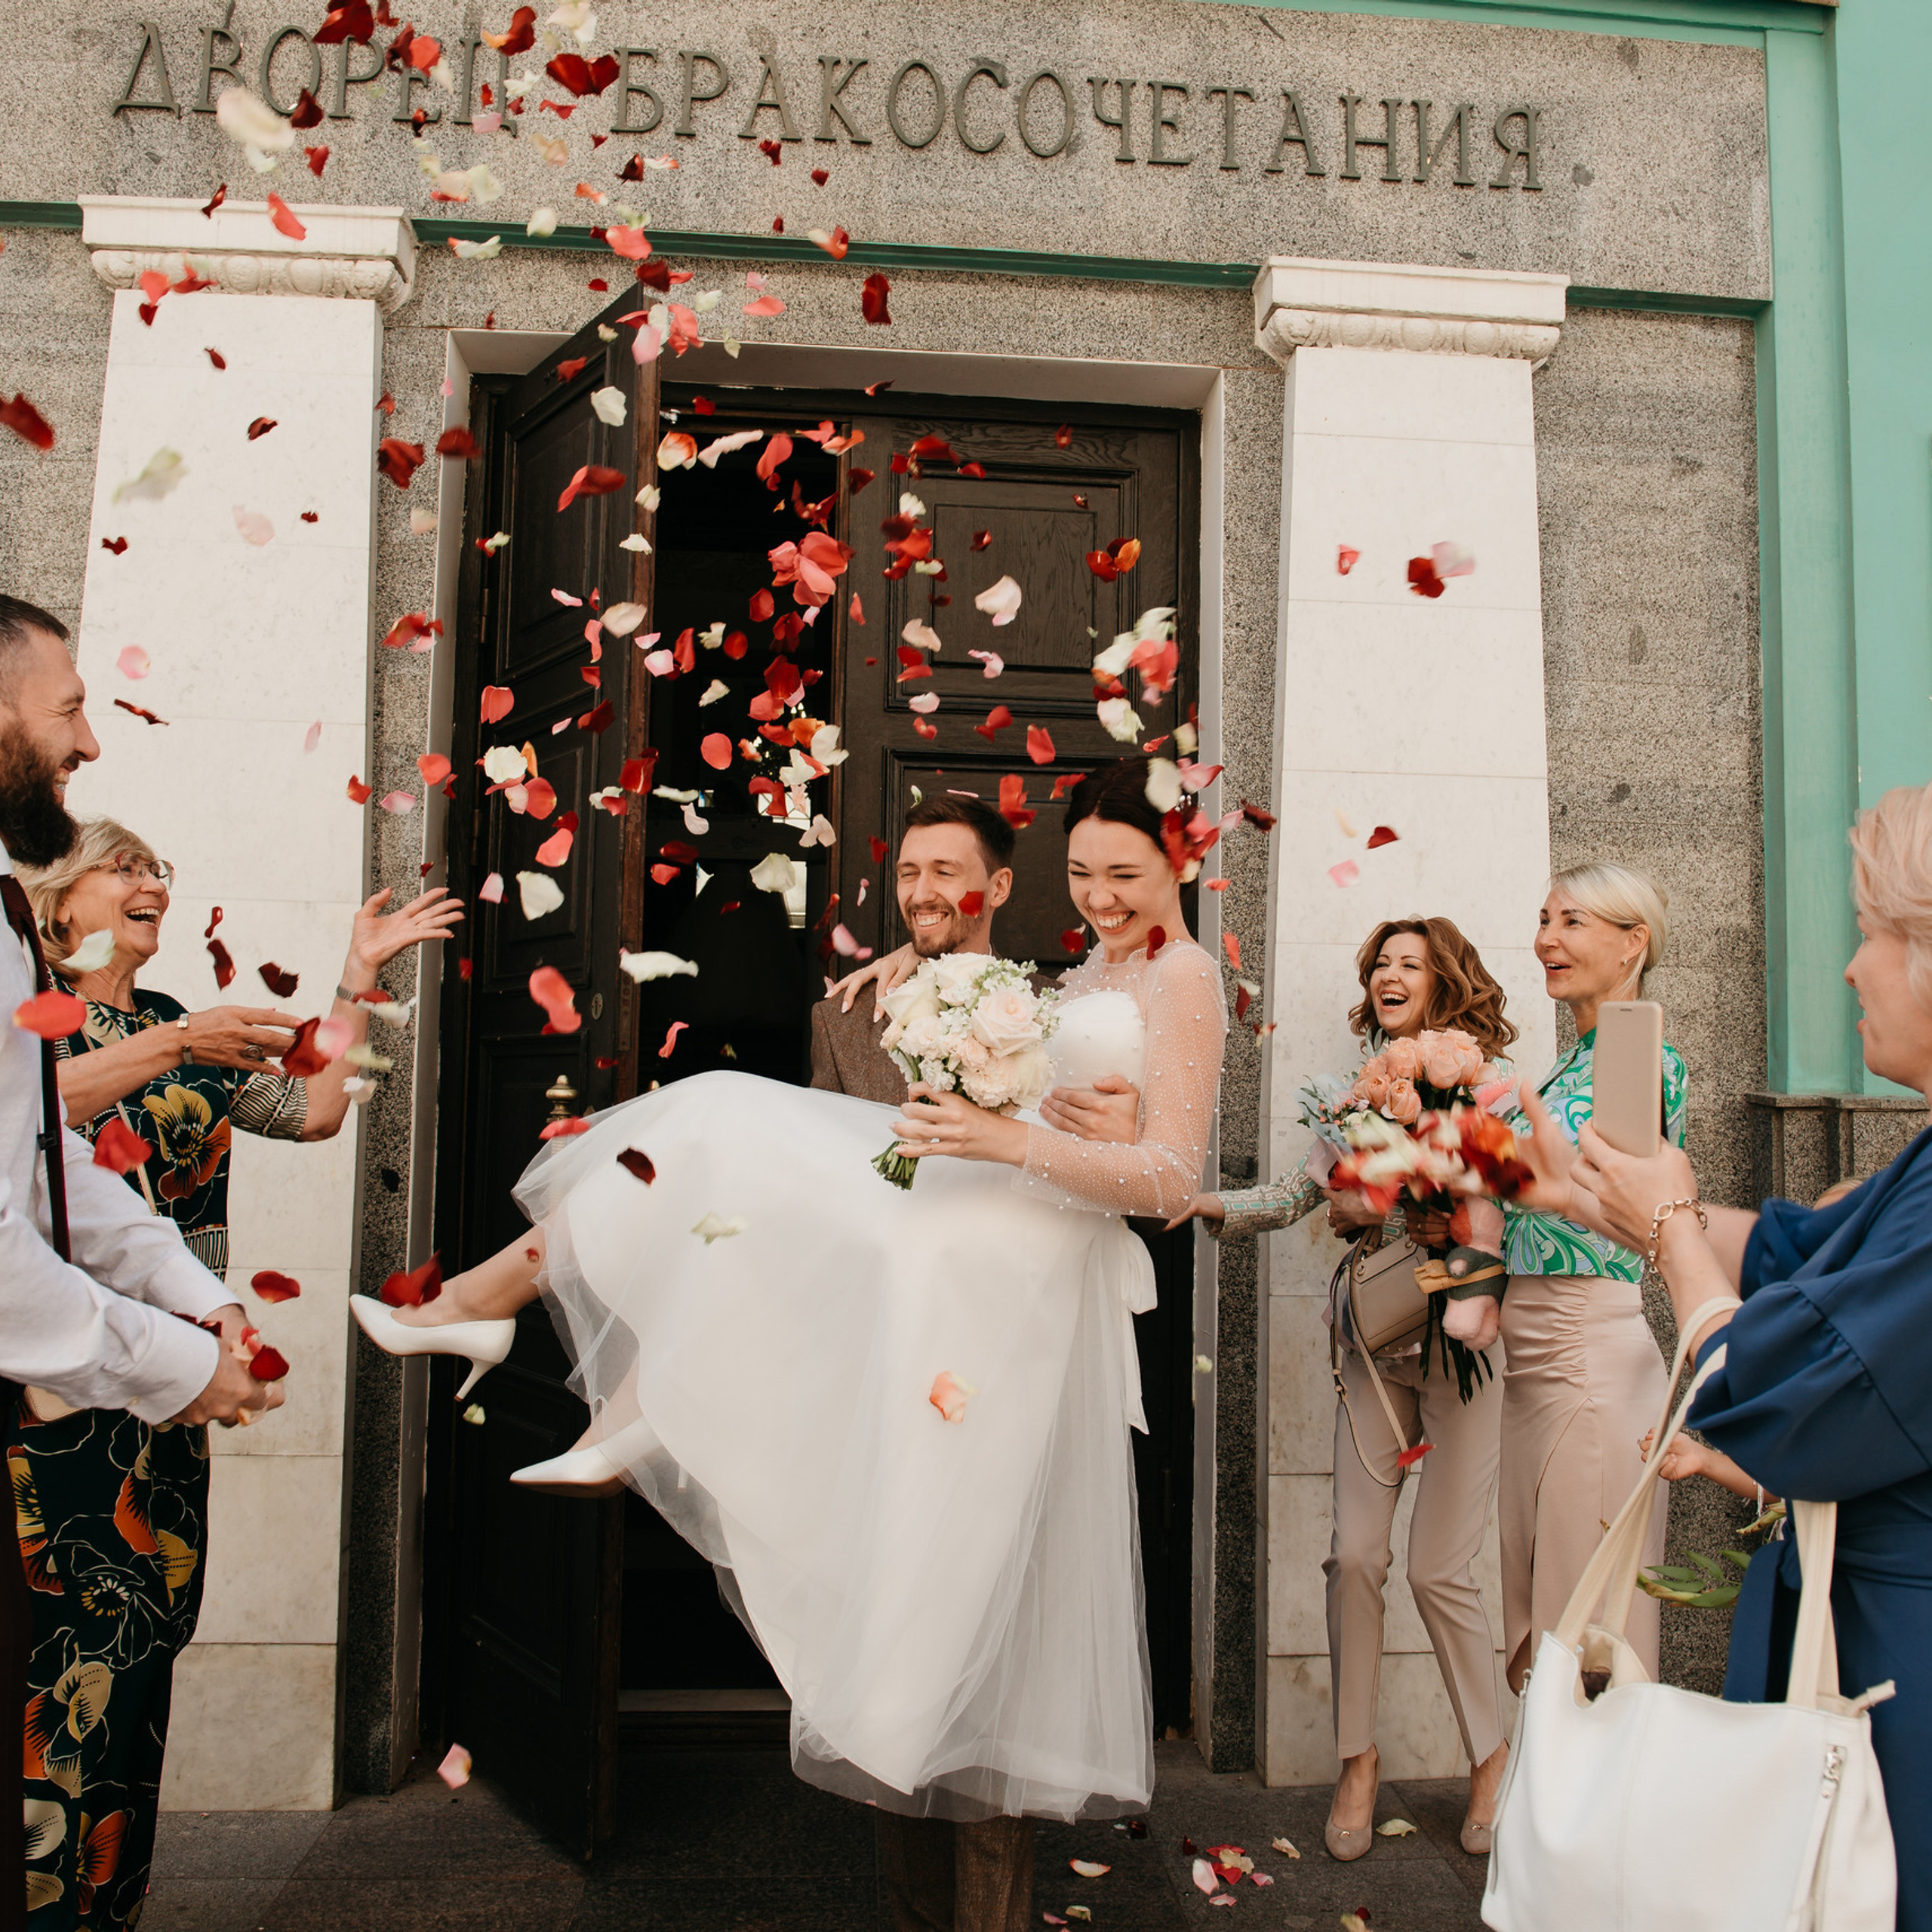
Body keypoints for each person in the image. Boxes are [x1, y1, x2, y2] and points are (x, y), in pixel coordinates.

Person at [352, 757, 1227, 1921]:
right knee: (723, 1138)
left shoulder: (1188, 980)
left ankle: (569, 1358)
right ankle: (552, 1344)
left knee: (734, 1138)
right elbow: (1043, 1083)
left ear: (1183, 865)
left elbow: (1170, 1180)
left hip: (1019, 1260)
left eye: (1125, 874)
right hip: (980, 1240)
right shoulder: (1089, 972)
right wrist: (925, 983)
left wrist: (998, 1140)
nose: (1102, 896)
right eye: (1082, 873)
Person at [1509, 780, 1932, 1932]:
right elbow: (1792, 1250)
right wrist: (1596, 1199)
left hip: (1903, 1663)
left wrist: (1669, 1229)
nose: (1852, 968)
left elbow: (1782, 1379)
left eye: (1881, 934)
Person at [809, 792, 1144, 1932]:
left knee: (1003, 1640)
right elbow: (820, 1188)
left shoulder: (1069, 1017)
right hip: (891, 1371)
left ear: (999, 887)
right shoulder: (846, 1014)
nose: (921, 893)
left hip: (1014, 1375)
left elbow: (1108, 1182)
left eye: (946, 872)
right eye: (907, 875)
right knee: (898, 1641)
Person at [0, 596, 281, 1932]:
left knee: (118, 1679)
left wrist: (206, 1304)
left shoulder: (160, 1004)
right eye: (67, 709)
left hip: (136, 1376)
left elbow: (61, 1173)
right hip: (57, 1397)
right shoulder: (60, 994)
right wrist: (177, 1357)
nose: (92, 739)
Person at [1169, 918, 1515, 1860]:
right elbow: (1297, 1193)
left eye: (1410, 962)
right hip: (1374, 1340)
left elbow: (1518, 1190)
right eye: (1379, 964)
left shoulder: (1492, 1088)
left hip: (1466, 1345)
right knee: (1354, 1555)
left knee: (1441, 1566)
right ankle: (1356, 1757)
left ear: (1447, 981)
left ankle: (1490, 1755)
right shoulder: (1348, 1093)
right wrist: (1214, 1203)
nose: (1390, 974)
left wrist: (1450, 1171)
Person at [19, 814, 461, 1278]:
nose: (154, 886)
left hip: (189, 1305)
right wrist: (181, 1043)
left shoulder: (168, 1015)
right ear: (61, 902)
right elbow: (33, 1105)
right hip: (78, 1310)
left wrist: (359, 971)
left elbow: (313, 1113)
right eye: (127, 869)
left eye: (156, 871)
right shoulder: (34, 1003)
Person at [1497, 861, 1686, 1691]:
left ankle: (1590, 1817)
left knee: (1587, 1630)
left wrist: (1536, 1184)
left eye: (1571, 922)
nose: (1546, 939)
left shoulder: (1642, 1059)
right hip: (1529, 1357)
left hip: (1589, 1353)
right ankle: (1550, 1811)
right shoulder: (1560, 1069)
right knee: (1547, 1615)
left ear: (1631, 942)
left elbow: (1631, 1216)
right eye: (1544, 919)